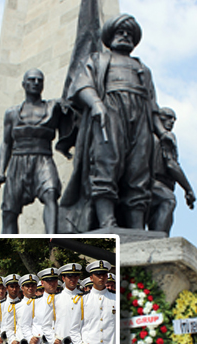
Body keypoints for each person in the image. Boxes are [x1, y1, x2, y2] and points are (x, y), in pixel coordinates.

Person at [59, 14, 163, 231]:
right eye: (120, 32)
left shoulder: (143, 69)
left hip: (140, 118)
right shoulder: (97, 60)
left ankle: (136, 228)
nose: (124, 36)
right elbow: (82, 85)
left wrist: (163, 133)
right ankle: (107, 222)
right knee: (106, 165)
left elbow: (153, 105)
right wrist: (96, 103)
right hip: (109, 113)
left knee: (139, 172)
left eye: (129, 34)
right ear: (110, 37)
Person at [0, 69, 72, 234]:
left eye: (39, 80)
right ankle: (7, 248)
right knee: (9, 211)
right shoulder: (12, 113)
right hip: (18, 160)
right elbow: (6, 143)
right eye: (32, 80)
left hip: (43, 158)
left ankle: (52, 240)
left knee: (51, 193)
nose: (36, 83)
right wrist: (0, 171)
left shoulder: (53, 107)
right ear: (24, 84)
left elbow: (72, 109)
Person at [147, 107, 196, 234]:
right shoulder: (167, 137)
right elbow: (171, 164)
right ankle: (159, 243)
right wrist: (188, 189)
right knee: (168, 200)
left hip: (144, 183)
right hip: (156, 183)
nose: (172, 121)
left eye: (174, 119)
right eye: (168, 117)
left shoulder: (145, 136)